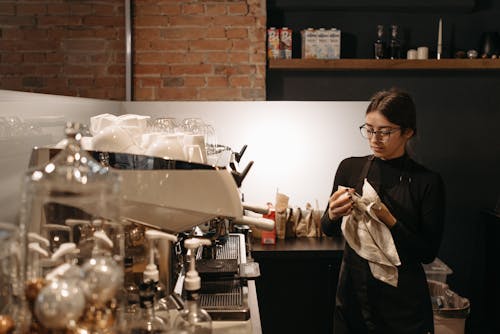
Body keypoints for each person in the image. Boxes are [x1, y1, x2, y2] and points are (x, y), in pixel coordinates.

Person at [321, 88, 445, 334]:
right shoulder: (350, 168)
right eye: (369, 129)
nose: (374, 139)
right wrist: (333, 214)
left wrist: (390, 220)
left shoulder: (427, 182)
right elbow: (328, 229)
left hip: (403, 306)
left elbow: (427, 252)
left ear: (408, 132)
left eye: (385, 132)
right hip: (353, 296)